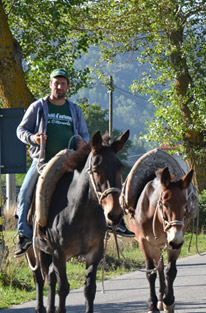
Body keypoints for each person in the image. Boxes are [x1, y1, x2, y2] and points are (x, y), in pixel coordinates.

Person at [14, 69, 133, 258]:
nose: (59, 86)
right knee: (25, 192)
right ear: (50, 84)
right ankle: (24, 235)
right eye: (56, 82)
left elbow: (85, 135)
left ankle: (117, 223)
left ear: (67, 87)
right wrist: (33, 138)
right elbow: (20, 130)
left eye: (63, 83)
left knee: (101, 184)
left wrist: (83, 143)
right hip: (42, 162)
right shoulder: (38, 107)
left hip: (71, 160)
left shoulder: (75, 110)